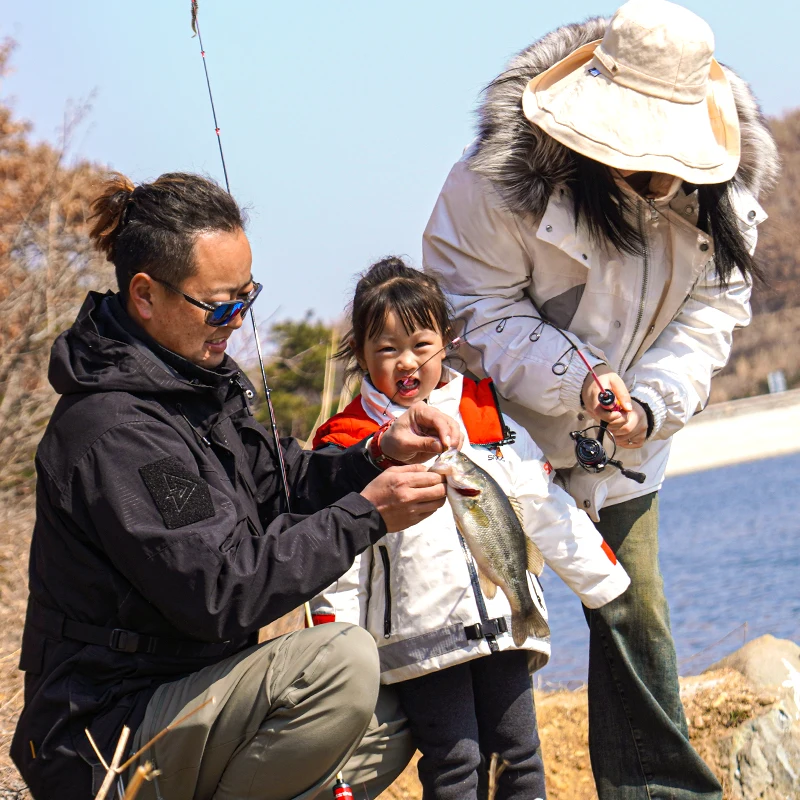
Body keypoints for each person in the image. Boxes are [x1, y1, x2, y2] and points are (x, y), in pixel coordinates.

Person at [10, 172, 465, 800]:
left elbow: (287, 485)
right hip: (103, 737)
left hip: (194, 693)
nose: (238, 321)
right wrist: (369, 515)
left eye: (247, 297)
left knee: (395, 715)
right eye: (220, 305)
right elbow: (222, 591)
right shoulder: (117, 432)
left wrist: (375, 453)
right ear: (145, 296)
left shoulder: (196, 388)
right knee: (342, 664)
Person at [422, 1, 779, 797]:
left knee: (634, 613)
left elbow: (710, 316)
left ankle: (659, 791)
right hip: (501, 439)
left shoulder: (730, 186)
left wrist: (646, 406)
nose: (659, 171)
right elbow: (469, 307)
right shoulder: (497, 181)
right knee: (487, 635)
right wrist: (576, 378)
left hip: (628, 439)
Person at [308, 258, 631, 799]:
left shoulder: (485, 413)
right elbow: (336, 561)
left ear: (447, 340)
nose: (405, 362)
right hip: (419, 643)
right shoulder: (346, 442)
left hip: (505, 620)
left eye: (420, 344)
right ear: (360, 355)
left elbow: (538, 499)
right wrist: (336, 647)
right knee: (454, 766)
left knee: (519, 757)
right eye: (386, 349)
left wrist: (606, 586)